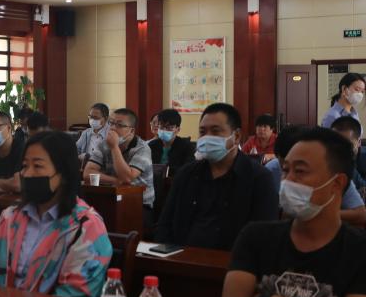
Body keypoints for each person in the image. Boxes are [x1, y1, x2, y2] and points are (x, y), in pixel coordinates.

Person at [221, 127, 366, 297]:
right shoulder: (256, 236)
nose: (288, 180)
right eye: (285, 170)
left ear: (337, 184)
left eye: (300, 172)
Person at [0, 131, 112, 297]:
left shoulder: (85, 227)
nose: (27, 174)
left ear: (63, 174)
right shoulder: (11, 217)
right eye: (24, 166)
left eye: (38, 166)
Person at [155, 103, 278, 249]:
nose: (207, 137)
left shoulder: (259, 179)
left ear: (236, 136)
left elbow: (265, 237)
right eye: (202, 132)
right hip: (181, 256)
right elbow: (164, 225)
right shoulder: (186, 174)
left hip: (234, 260)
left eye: (215, 131)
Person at [265, 125, 366, 228]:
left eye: (299, 170)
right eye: (285, 168)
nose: (289, 178)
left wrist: (317, 214)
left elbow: (360, 214)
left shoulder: (331, 174)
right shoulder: (269, 171)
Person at [83, 108, 156, 228]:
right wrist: (115, 181)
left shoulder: (142, 148)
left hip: (139, 205)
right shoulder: (103, 144)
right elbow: (87, 173)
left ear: (131, 131)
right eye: (111, 123)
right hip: (110, 198)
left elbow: (127, 178)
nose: (112, 128)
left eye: (119, 125)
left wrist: (114, 147)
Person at [330, 116, 366, 206]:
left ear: (358, 142)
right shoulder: (326, 157)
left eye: (347, 144)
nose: (341, 149)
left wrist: (348, 165)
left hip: (362, 209)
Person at [146, 108, 195, 173]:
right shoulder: (151, 145)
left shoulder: (187, 147)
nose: (164, 130)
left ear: (178, 129)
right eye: (161, 127)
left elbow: (188, 170)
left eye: (169, 128)